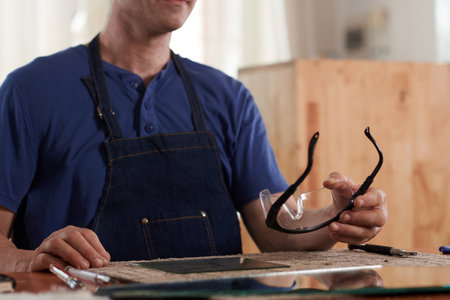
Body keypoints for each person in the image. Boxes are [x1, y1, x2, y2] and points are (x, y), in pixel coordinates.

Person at [0, 0, 387, 272]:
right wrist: (29, 260)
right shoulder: (30, 92)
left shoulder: (229, 98)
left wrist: (337, 216)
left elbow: (279, 234)